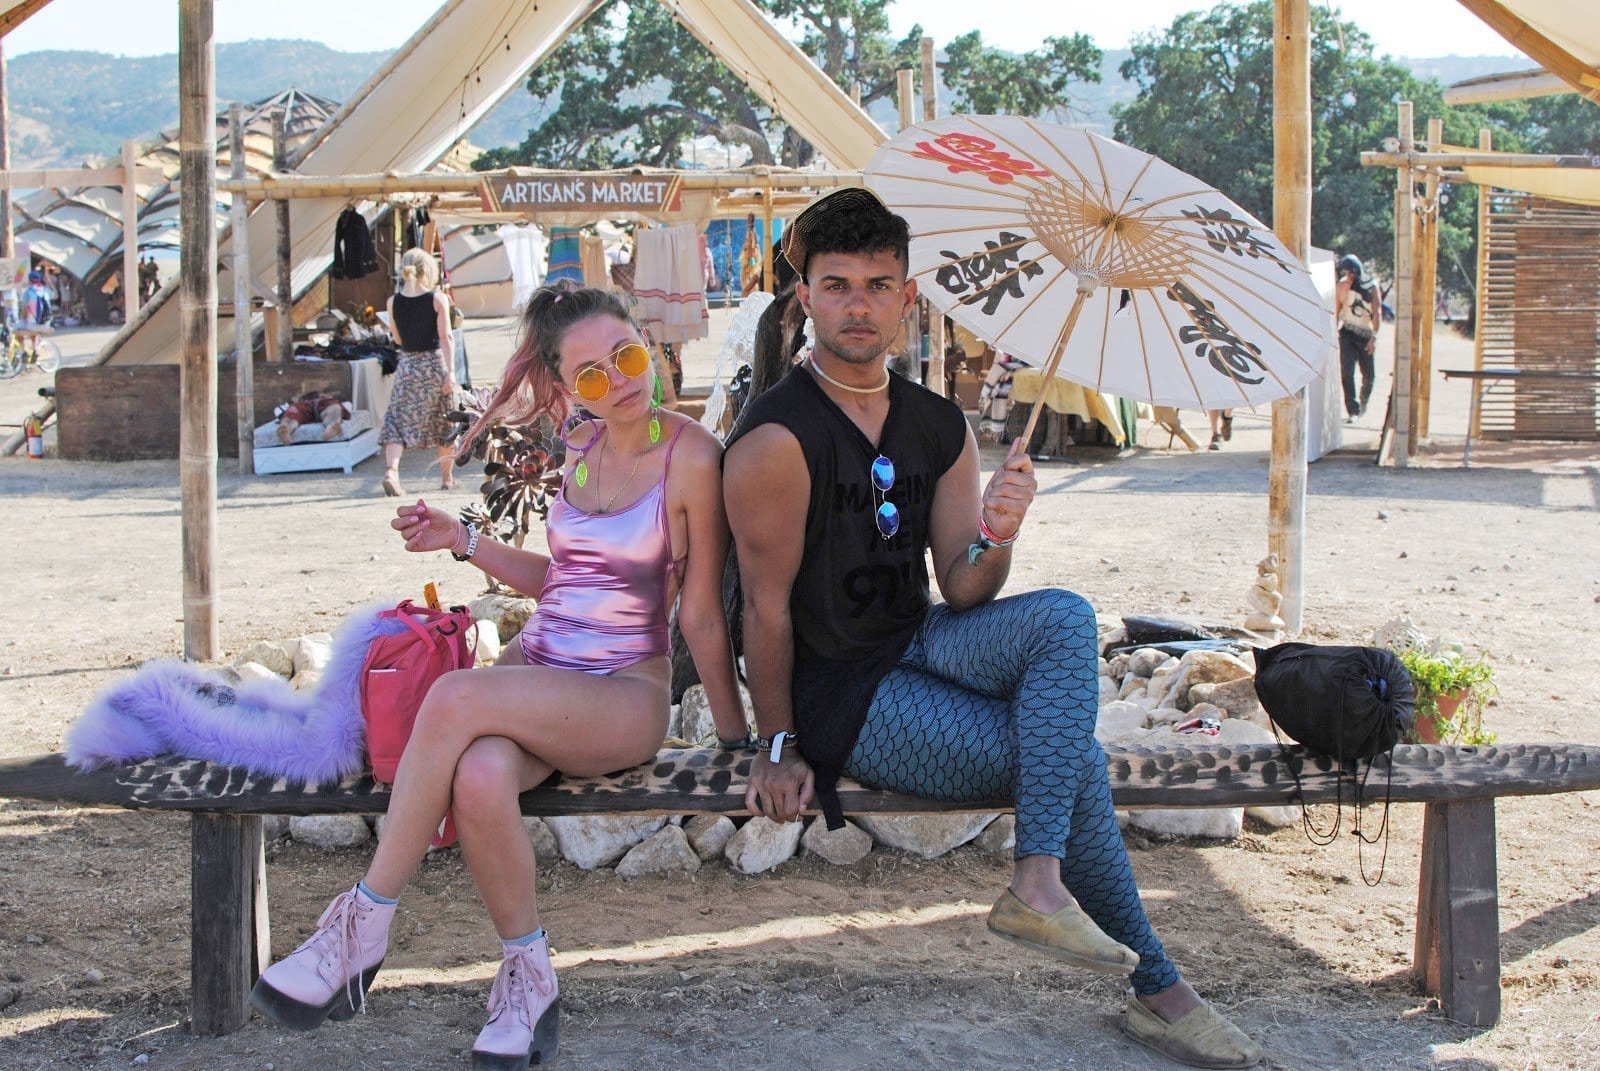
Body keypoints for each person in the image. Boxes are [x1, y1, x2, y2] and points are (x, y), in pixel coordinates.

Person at [722, 189, 1260, 1070]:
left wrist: (998, 530)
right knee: (1075, 758)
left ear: (908, 296)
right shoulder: (777, 438)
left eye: (878, 284)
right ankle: (1156, 985)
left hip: (924, 639)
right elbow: (765, 608)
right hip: (845, 694)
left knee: (1064, 618)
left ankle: (1042, 882)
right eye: (837, 285)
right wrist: (778, 742)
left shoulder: (937, 423)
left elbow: (966, 590)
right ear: (806, 298)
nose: (858, 304)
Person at [251, 282, 747, 1069]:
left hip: (623, 691)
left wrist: (736, 739)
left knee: (453, 694)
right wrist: (464, 538)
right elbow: (565, 582)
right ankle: (528, 977)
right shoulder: (581, 445)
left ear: (647, 347)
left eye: (626, 356)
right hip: (545, 668)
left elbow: (702, 616)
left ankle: (360, 926)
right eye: (589, 374)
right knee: (480, 775)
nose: (615, 381)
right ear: (566, 385)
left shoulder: (691, 453)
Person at [379, 248, 457, 496]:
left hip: (408, 366)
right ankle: (447, 479)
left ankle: (392, 471)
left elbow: (398, 339)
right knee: (445, 421)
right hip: (433, 365)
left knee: (397, 420)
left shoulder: (393, 302)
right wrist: (451, 373)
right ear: (428, 269)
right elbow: (446, 338)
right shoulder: (437, 299)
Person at [1335, 253, 1381, 421]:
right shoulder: (1341, 286)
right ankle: (1352, 410)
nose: (1348, 276)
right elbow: (1337, 310)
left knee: (1369, 375)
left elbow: (1377, 312)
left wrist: (1374, 337)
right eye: (1346, 273)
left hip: (1365, 335)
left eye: (1351, 273)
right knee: (1347, 373)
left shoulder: (1371, 287)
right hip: (1347, 333)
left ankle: (1363, 401)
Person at [275, 390, 352, 445]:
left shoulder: (328, 398)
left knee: (293, 412)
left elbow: (279, 410)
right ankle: (285, 429)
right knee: (335, 408)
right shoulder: (329, 398)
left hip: (307, 404)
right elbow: (348, 406)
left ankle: (331, 427)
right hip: (311, 404)